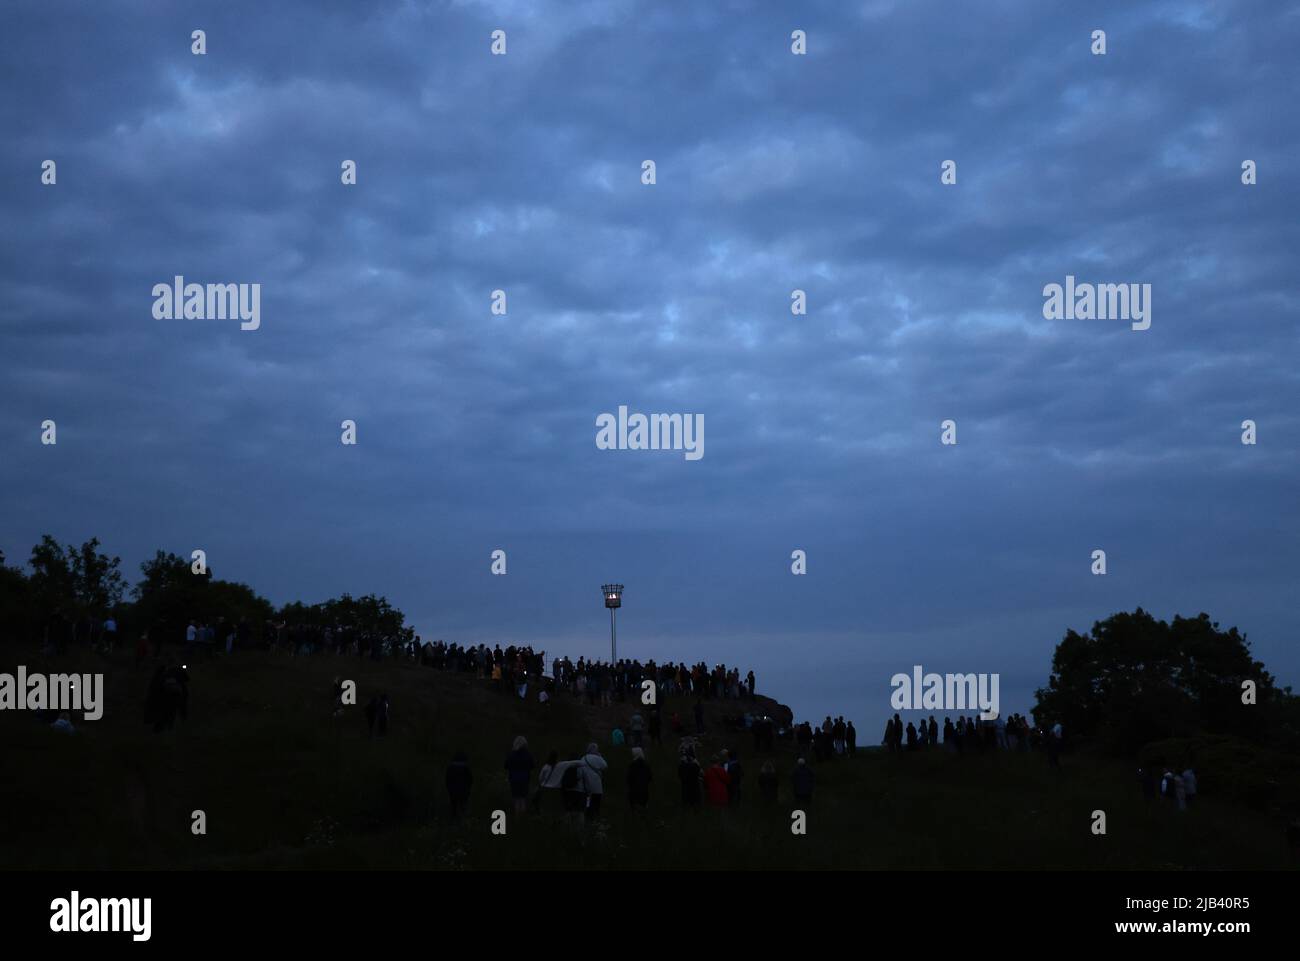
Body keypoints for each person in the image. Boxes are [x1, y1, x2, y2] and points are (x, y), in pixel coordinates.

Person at [504, 736, 535, 815]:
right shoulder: (528, 754)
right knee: (523, 799)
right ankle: (523, 819)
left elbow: (505, 766)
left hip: (513, 779)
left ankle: (517, 819)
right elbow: (532, 766)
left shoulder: (511, 754)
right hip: (525, 779)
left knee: (516, 799)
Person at [580, 743, 607, 822]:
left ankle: (587, 819)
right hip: (597, 787)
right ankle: (594, 820)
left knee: (587, 804)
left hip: (585, 787)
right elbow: (605, 765)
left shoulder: (583, 758)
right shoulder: (597, 758)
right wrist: (600, 756)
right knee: (596, 805)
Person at [445, 751, 472, 821]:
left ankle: (453, 820)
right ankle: (463, 821)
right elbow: (470, 780)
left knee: (453, 807)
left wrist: (449, 789)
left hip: (453, 790)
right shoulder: (466, 767)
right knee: (463, 806)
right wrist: (468, 789)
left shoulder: (451, 767)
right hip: (463, 790)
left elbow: (447, 779)